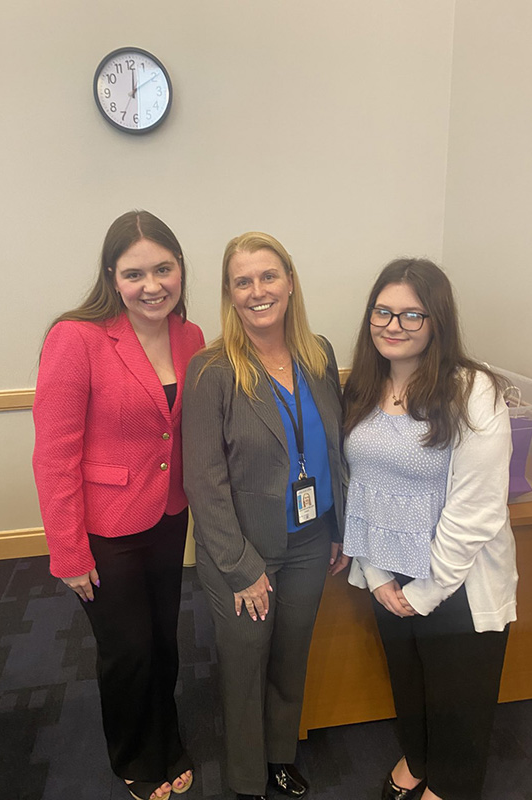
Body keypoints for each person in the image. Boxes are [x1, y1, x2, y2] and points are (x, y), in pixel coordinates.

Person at [32, 210, 204, 800]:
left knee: (163, 639)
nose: (152, 284)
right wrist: (68, 552)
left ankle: (168, 737)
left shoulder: (190, 336)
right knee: (127, 649)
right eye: (135, 274)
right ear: (112, 276)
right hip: (104, 527)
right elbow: (54, 455)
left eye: (164, 268)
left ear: (181, 269)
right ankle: (135, 756)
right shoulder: (76, 337)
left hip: (168, 513)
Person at [339, 258, 518, 800]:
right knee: (410, 680)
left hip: (457, 578)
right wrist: (375, 574)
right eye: (383, 312)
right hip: (386, 567)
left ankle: (453, 782)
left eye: (411, 315)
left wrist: (427, 590)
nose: (393, 325)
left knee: (458, 694)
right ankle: (417, 758)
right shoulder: (365, 386)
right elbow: (358, 485)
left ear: (437, 320)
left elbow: (478, 508)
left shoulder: (472, 389)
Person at [182, 232, 348, 800]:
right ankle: (248, 779)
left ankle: (281, 755)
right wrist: (239, 565)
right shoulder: (212, 371)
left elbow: (334, 446)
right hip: (243, 548)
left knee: (290, 653)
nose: (258, 291)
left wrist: (338, 528)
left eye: (268, 276)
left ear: (290, 281)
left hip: (310, 539)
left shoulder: (318, 353)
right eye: (243, 281)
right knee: (245, 663)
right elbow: (203, 481)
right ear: (230, 295)